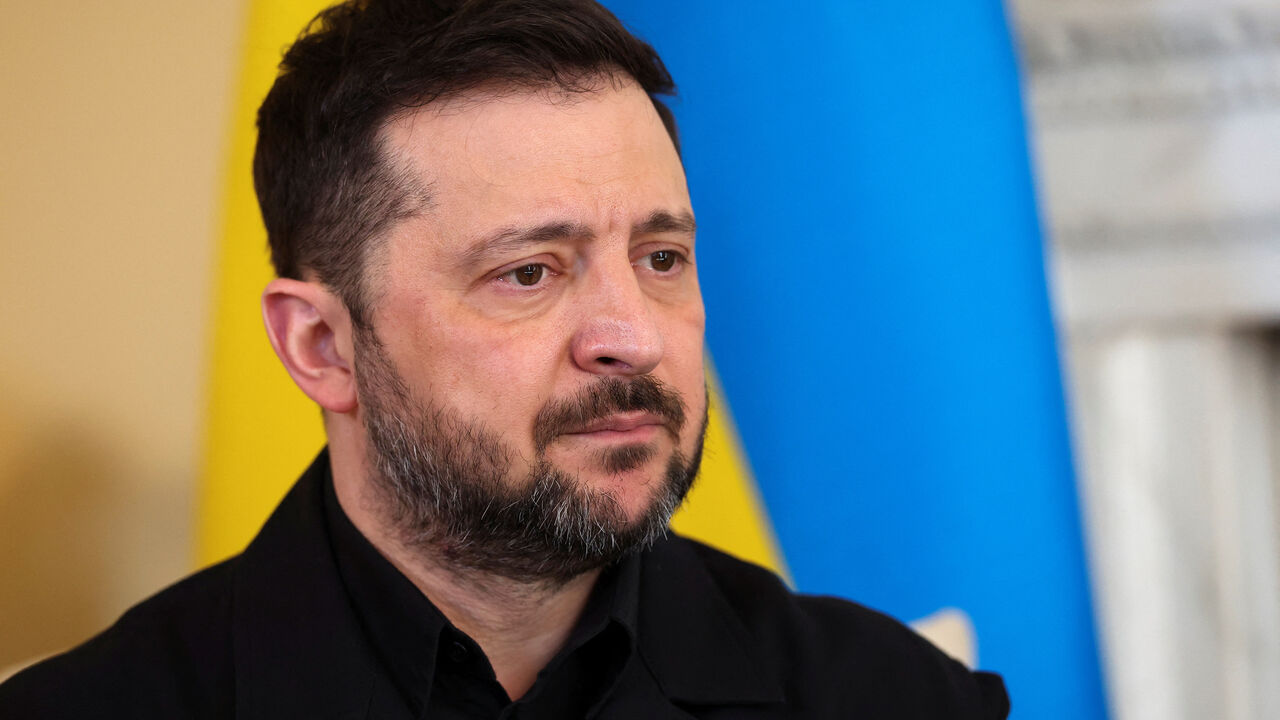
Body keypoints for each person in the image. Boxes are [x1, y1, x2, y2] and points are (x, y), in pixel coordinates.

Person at [0, 1, 1009, 717]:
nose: (632, 335)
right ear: (321, 345)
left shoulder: (894, 696)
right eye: (529, 272)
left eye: (660, 258)